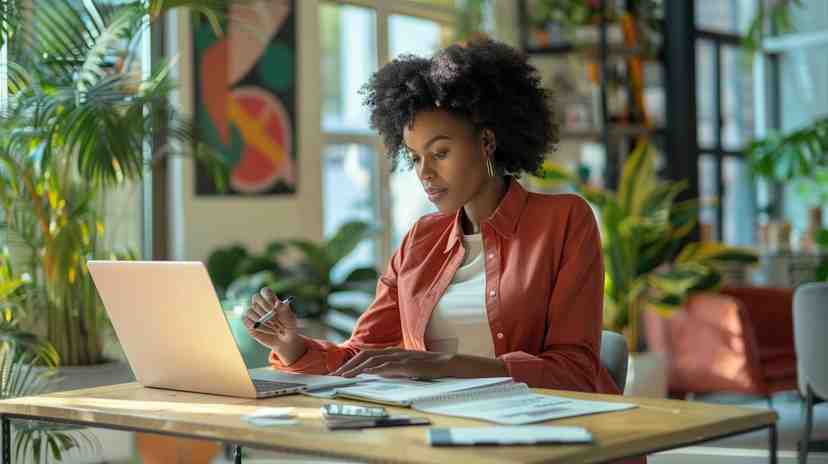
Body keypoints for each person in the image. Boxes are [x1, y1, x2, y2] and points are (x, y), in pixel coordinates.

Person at [243, 38, 619, 394]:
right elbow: (362, 356)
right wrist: (292, 347)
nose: (425, 173)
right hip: (440, 428)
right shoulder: (421, 240)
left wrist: (439, 364)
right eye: (416, 157)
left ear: (487, 142)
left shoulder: (564, 220)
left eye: (440, 153)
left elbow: (575, 372)